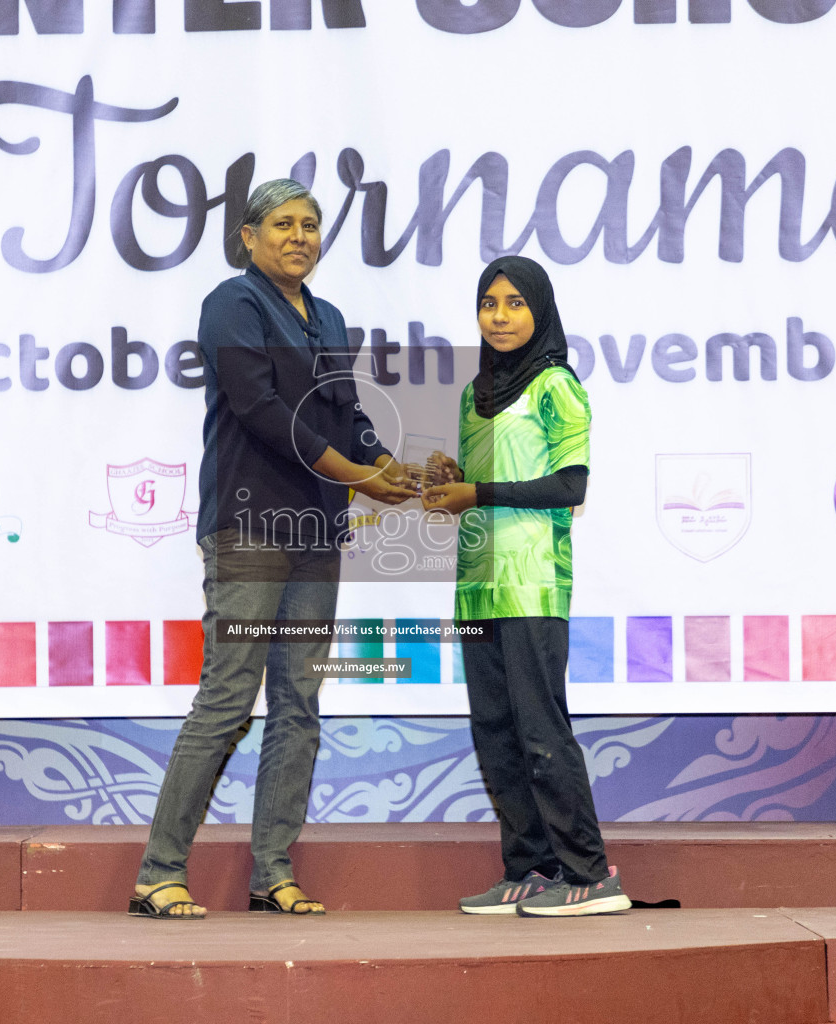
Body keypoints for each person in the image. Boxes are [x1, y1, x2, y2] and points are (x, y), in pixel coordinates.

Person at [130, 179, 415, 919]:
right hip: (250, 528)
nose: (300, 236)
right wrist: (360, 477)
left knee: (299, 705)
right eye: (283, 224)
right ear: (249, 237)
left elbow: (347, 418)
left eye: (311, 225)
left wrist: (397, 471)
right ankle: (159, 874)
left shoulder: (329, 317)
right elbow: (262, 411)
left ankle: (273, 875)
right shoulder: (234, 303)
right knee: (227, 699)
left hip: (317, 532)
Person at [422, 255, 631, 917]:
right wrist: (454, 474)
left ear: (538, 310)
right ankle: (531, 870)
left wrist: (477, 489)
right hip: (476, 587)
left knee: (542, 731)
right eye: (490, 303)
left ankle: (590, 874)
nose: (500, 316)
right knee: (496, 732)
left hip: (532, 583)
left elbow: (570, 487)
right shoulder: (473, 393)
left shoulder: (556, 385)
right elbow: (487, 482)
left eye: (515, 303)